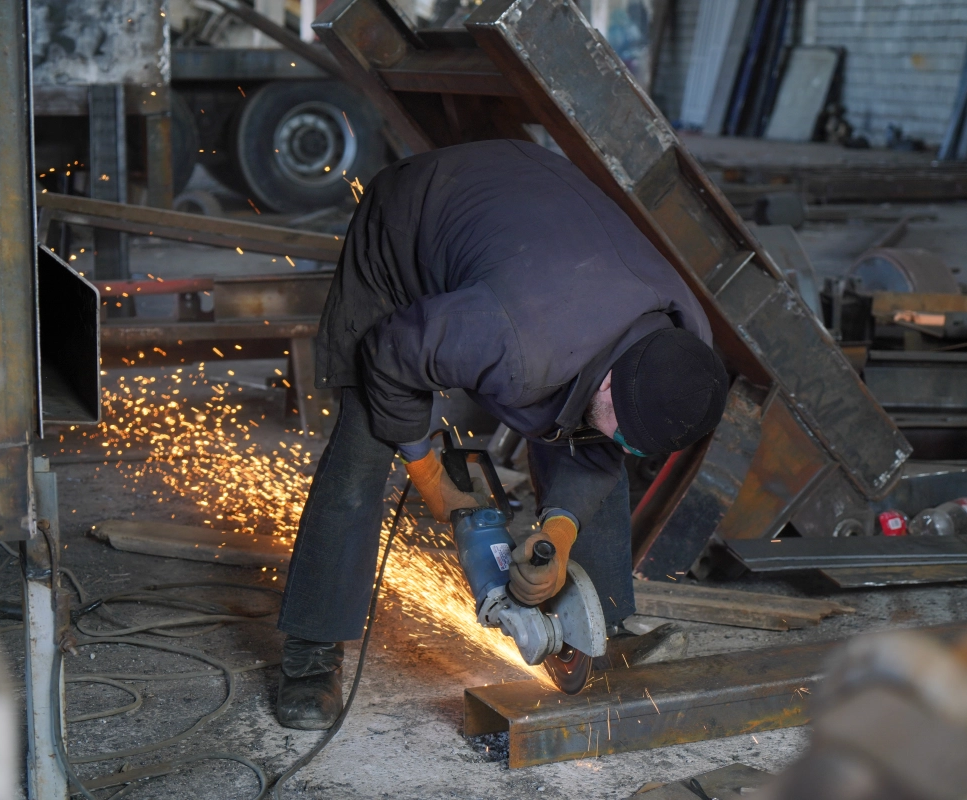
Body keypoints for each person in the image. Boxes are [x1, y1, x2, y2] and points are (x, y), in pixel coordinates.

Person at [275, 139, 728, 729]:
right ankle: (310, 657)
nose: (630, 450)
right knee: (365, 444)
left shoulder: (682, 348)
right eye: (630, 433)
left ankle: (605, 627)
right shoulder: (512, 342)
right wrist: (426, 470)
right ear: (612, 383)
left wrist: (561, 530)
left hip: (529, 212)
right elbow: (391, 354)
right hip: (411, 218)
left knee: (596, 438)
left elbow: (600, 441)